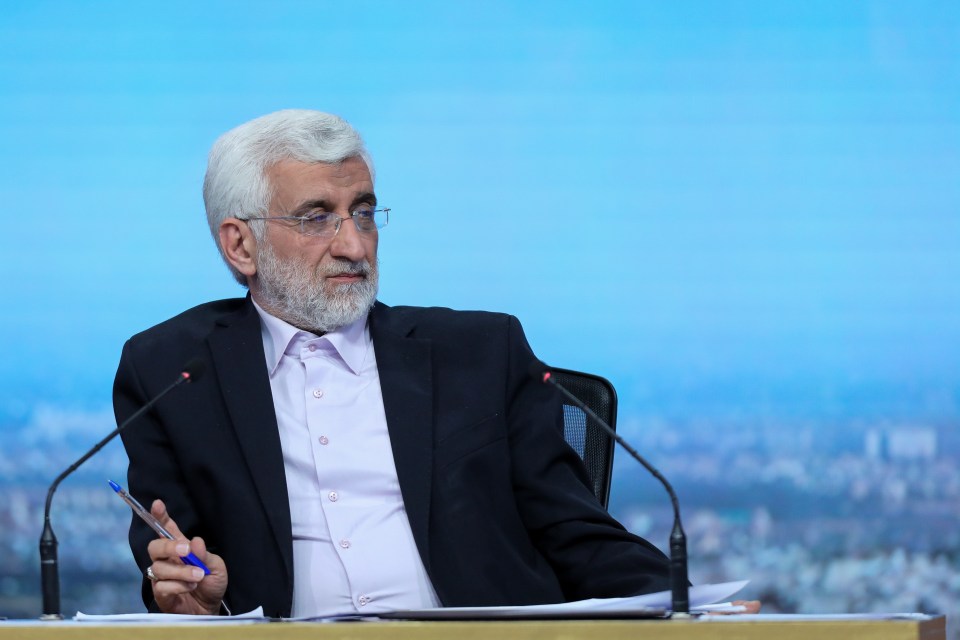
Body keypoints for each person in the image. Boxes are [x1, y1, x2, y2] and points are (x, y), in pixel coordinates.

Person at [114, 109, 673, 618]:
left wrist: (689, 605)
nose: (355, 246)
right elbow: (177, 568)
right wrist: (200, 604)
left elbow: (576, 533)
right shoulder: (170, 372)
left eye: (362, 213)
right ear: (241, 246)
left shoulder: (481, 352)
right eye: (317, 218)